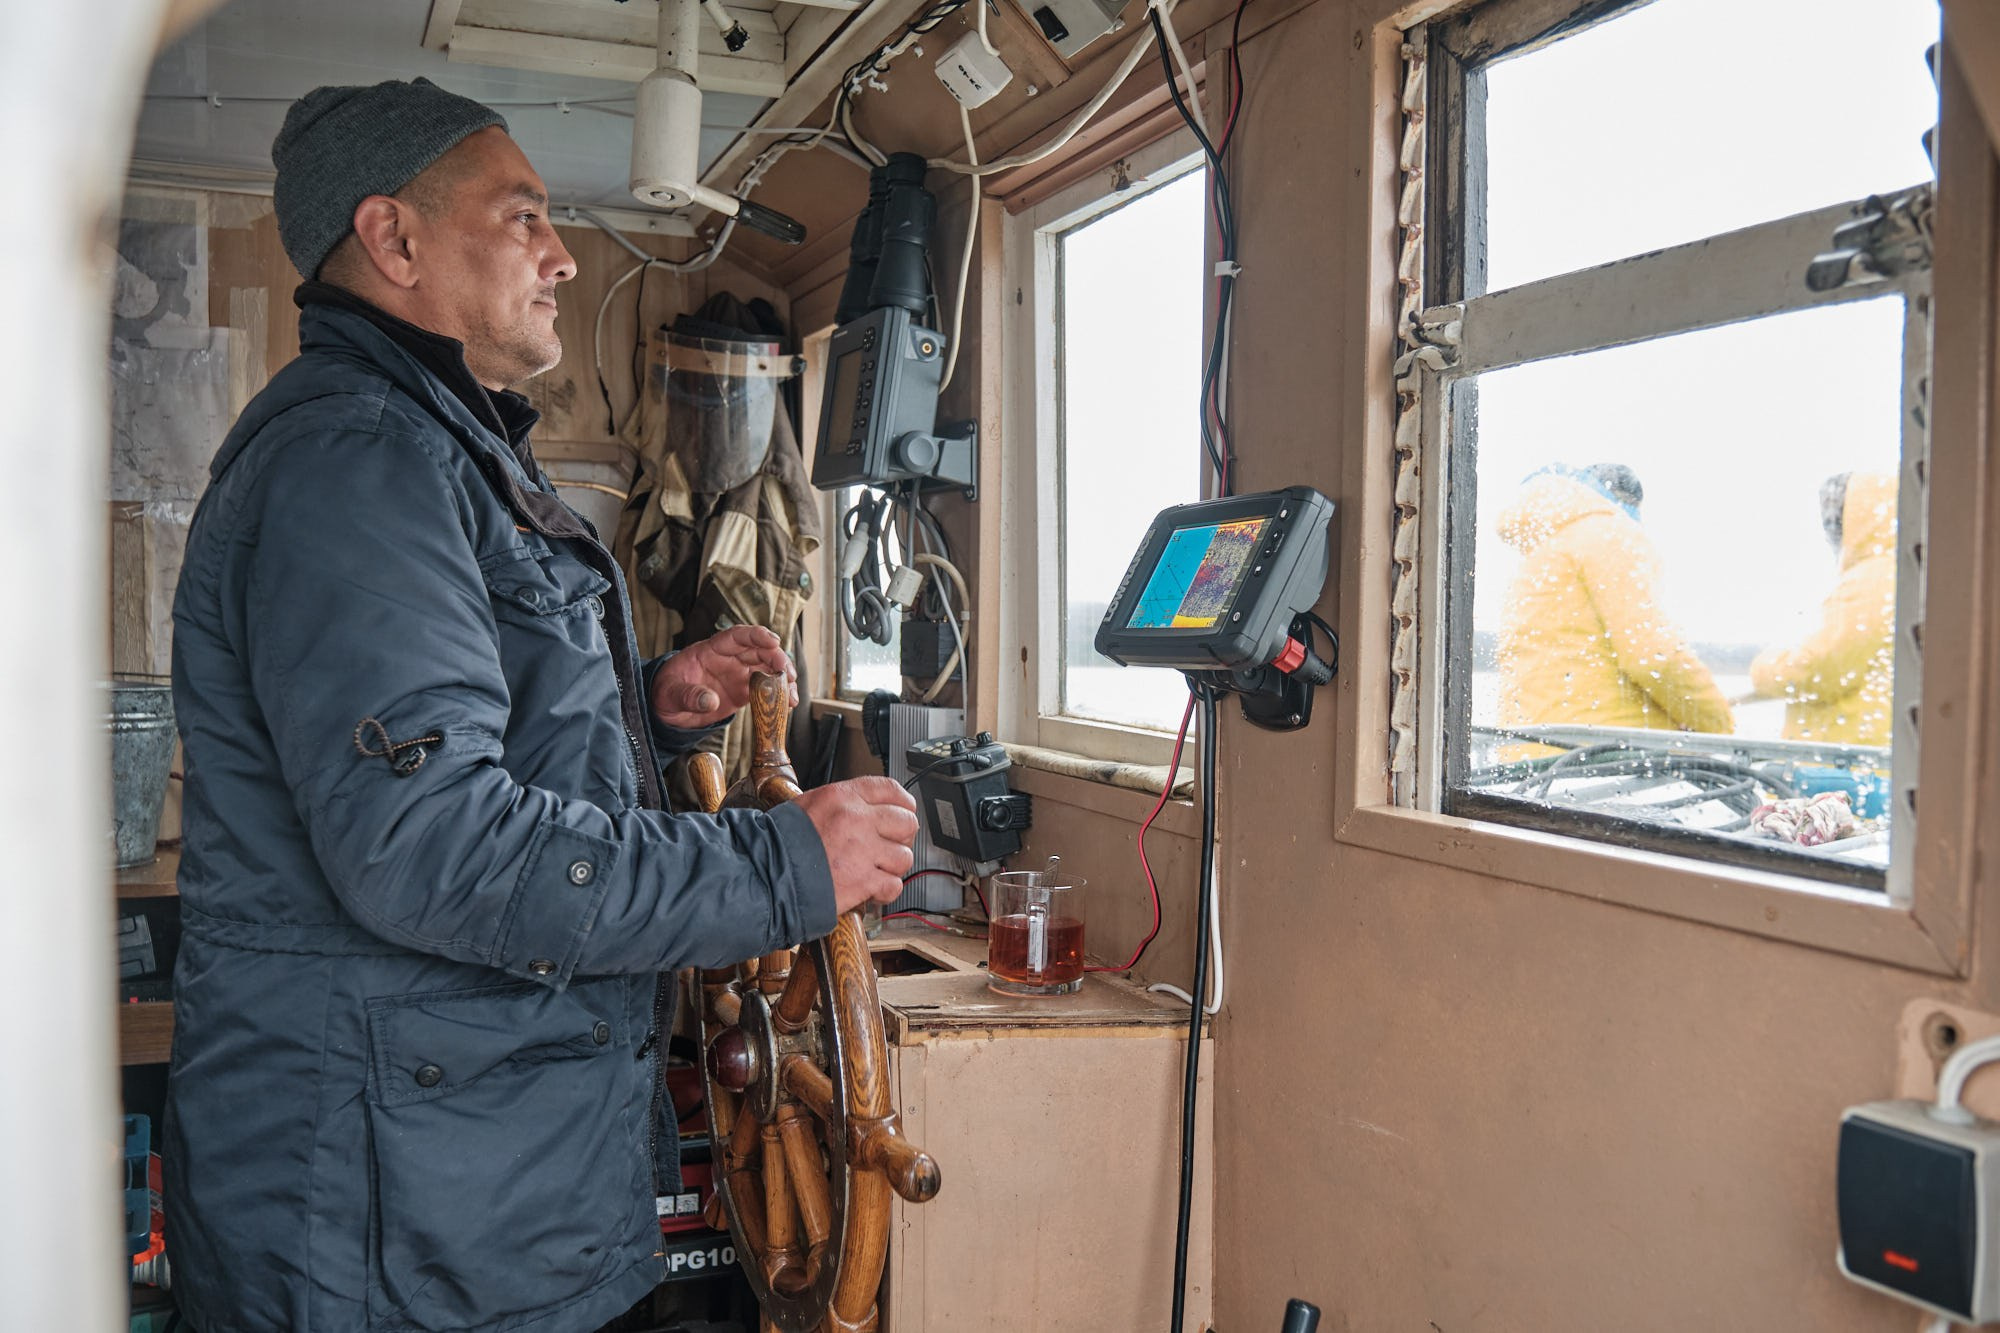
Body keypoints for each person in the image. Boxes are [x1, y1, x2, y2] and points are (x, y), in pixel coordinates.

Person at [163, 79, 919, 1333]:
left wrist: (647, 712)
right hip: (391, 1220)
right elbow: (429, 844)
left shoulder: (424, 445)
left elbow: (439, 742)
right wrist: (778, 862)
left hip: (458, 1176)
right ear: (393, 240)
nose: (563, 257)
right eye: (524, 217)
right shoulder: (360, 461)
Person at [1493, 464, 1735, 743]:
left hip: (1531, 751)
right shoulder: (1608, 533)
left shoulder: (1546, 552)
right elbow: (1651, 655)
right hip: (1599, 755)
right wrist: (1718, 723)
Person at [1748, 471, 1897, 746]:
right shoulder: (1893, 575)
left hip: (1845, 762)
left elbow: (1820, 669)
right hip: (1868, 752)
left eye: (1835, 516)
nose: (1830, 528)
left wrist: (1763, 667)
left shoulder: (1873, 581)